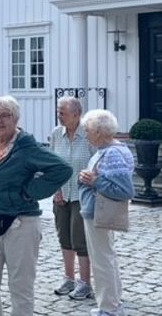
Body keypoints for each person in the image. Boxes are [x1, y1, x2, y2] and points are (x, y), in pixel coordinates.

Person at [0, 95, 72, 316]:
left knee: (20, 288)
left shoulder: (26, 147)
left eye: (5, 115)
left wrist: (29, 192)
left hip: (21, 224)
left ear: (15, 118)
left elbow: (62, 169)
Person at [78, 109, 135, 316]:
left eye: (88, 130)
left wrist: (94, 180)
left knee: (102, 261)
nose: (86, 135)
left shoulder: (112, 153)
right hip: (95, 211)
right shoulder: (108, 150)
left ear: (99, 132)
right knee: (105, 257)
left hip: (99, 213)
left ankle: (109, 308)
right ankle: (112, 303)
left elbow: (125, 190)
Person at [50, 97, 95, 300]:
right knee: (64, 237)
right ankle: (68, 278)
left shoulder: (89, 135)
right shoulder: (56, 134)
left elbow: (96, 163)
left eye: (63, 112)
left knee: (80, 240)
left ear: (76, 115)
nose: (59, 115)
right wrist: (55, 189)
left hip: (81, 195)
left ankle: (85, 283)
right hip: (61, 194)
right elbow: (52, 165)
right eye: (59, 112)